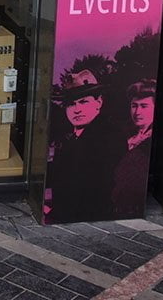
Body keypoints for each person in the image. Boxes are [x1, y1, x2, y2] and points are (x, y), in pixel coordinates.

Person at [45, 67, 122, 223]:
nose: (77, 110)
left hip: (91, 220)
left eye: (83, 101)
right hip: (66, 218)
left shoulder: (109, 136)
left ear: (99, 102)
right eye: (71, 104)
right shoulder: (69, 137)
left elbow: (92, 186)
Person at [111, 79, 155, 218]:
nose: (137, 111)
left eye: (144, 106)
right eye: (134, 105)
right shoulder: (126, 135)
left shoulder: (151, 141)